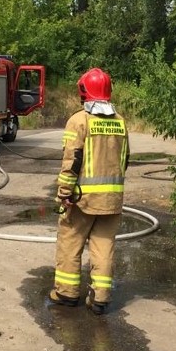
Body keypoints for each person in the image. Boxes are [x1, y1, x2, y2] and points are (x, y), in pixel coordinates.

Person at [49, 67, 129, 315]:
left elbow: (71, 160)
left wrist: (64, 192)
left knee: (70, 243)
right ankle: (100, 298)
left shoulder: (79, 120)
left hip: (82, 199)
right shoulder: (120, 122)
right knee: (104, 248)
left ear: (84, 91)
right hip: (112, 200)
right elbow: (125, 160)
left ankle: (67, 292)